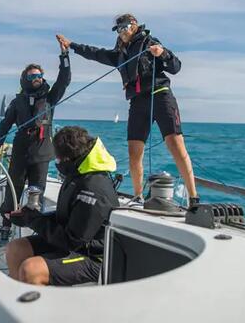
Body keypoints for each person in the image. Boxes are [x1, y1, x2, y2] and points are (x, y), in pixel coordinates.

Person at [56, 13, 199, 204]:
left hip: (161, 95)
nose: (122, 32)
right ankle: (138, 195)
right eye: (119, 30)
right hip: (138, 101)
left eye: (124, 28)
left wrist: (162, 53)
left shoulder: (149, 42)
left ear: (134, 25)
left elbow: (176, 67)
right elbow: (95, 53)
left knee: (176, 145)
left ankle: (193, 197)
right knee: (134, 150)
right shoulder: (119, 54)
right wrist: (72, 45)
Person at [5, 126, 119, 286]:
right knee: (15, 249)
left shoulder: (93, 188)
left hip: (96, 257)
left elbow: (72, 241)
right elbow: (66, 217)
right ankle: (16, 298)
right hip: (74, 243)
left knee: (31, 269)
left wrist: (34, 221)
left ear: (67, 159)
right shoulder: (78, 172)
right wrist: (28, 217)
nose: (56, 162)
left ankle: (35, 308)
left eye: (57, 159)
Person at [0, 41, 71, 244]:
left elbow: (64, 80)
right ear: (25, 78)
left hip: (42, 149)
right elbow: (5, 124)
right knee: (13, 190)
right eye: (32, 76)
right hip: (21, 149)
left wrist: (64, 55)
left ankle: (36, 231)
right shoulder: (18, 102)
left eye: (39, 75)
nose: (37, 79)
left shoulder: (51, 97)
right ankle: (6, 226)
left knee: (37, 192)